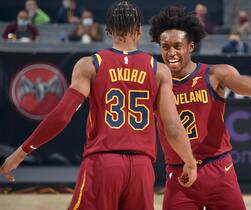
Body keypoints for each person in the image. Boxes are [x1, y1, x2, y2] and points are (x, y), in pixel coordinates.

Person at [0, 1, 197, 210]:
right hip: (142, 167)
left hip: (104, 163)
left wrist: (22, 152)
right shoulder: (159, 70)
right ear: (139, 31)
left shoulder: (91, 64)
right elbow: (173, 128)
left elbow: (61, 115)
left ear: (109, 30)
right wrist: (190, 162)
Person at [150, 6, 251, 210]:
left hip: (218, 169)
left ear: (190, 46)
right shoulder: (155, 82)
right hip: (180, 172)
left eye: (177, 46)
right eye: (165, 47)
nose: (171, 52)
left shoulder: (215, 74)